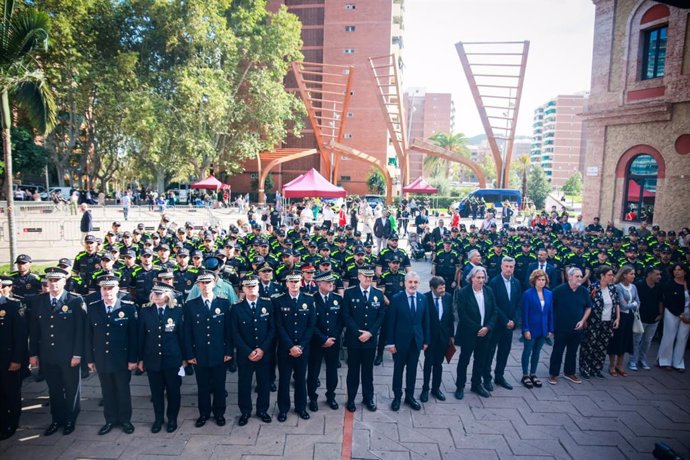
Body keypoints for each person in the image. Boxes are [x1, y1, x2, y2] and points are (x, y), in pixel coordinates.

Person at [29, 267, 86, 436]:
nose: (53, 283)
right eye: (50, 280)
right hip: (47, 355)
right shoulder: (39, 300)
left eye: (57, 280)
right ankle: (56, 419)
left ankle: (70, 419)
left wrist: (77, 354)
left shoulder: (75, 300)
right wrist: (33, 353)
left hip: (69, 356)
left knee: (71, 388)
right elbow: (34, 330)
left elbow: (80, 330)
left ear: (64, 281)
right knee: (54, 389)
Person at [84, 276, 137, 435]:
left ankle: (125, 420)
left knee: (123, 390)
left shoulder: (127, 308)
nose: (107, 292)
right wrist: (90, 359)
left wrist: (132, 359)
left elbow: (133, 337)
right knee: (106, 391)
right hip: (102, 358)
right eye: (104, 288)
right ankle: (110, 420)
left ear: (117, 289)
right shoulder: (93, 308)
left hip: (122, 359)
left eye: (111, 288)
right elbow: (88, 336)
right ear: (100, 290)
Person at [183, 271, 233, 428]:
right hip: (200, 354)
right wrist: (189, 355)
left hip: (219, 353)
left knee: (219, 385)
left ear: (214, 284)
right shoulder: (190, 305)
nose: (205, 286)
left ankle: (219, 413)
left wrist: (229, 352)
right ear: (198, 285)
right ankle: (203, 413)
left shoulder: (223, 304)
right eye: (202, 283)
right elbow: (187, 332)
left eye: (208, 282)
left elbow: (229, 331)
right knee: (202, 386)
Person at [138, 283, 185, 433]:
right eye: (154, 293)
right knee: (156, 393)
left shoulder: (177, 311)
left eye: (160, 293)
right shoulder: (145, 311)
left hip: (173, 360)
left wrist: (185, 359)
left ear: (168, 295)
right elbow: (140, 338)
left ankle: (172, 418)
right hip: (152, 360)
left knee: (173, 391)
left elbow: (182, 337)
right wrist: (140, 359)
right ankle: (158, 419)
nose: (156, 296)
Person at [231, 276, 275, 425]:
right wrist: (247, 351)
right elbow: (234, 333)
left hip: (264, 353)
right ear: (243, 289)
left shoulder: (268, 305)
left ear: (258, 287)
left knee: (264, 383)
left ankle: (262, 410)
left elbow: (272, 329)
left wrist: (262, 349)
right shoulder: (236, 308)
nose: (251, 288)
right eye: (248, 286)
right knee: (244, 384)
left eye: (254, 286)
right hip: (245, 355)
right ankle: (245, 411)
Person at [272, 272, 316, 422]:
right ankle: (283, 409)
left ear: (301, 283)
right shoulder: (278, 301)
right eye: (291, 282)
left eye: (296, 281)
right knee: (284, 380)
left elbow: (311, 326)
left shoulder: (309, 300)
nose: (294, 284)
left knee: (300, 380)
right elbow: (278, 326)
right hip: (285, 349)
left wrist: (301, 346)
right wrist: (291, 346)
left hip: (303, 349)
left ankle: (301, 407)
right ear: (287, 284)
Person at [342, 267, 385, 412]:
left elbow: (381, 316)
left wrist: (371, 333)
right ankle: (351, 399)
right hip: (354, 340)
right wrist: (357, 332)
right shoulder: (349, 293)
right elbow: (346, 315)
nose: (368, 279)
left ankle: (368, 398)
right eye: (365, 277)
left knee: (368, 372)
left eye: (371, 277)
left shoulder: (378, 294)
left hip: (370, 341)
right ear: (359, 277)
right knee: (353, 372)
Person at [386, 272, 429, 411]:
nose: (413, 285)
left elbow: (425, 321)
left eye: (415, 282)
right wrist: (390, 343)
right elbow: (390, 322)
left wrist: (426, 340)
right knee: (398, 370)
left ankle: (409, 396)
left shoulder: (423, 299)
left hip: (416, 342)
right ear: (405, 283)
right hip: (399, 342)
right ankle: (397, 397)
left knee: (412, 370)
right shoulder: (396, 298)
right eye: (410, 282)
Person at [453, 266, 497, 400]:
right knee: (464, 360)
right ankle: (460, 386)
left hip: (485, 334)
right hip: (469, 334)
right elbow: (463, 315)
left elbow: (494, 311)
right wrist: (479, 328)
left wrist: (487, 327)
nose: (481, 280)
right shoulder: (463, 293)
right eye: (478, 277)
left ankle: (476, 384)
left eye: (483, 277)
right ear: (471, 278)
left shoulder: (489, 291)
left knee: (480, 360)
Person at [307, 272, 344, 412]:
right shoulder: (311, 300)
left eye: (332, 282)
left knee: (332, 371)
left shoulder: (337, 299)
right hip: (316, 343)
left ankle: (331, 396)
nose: (331, 284)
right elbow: (310, 323)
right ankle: (312, 398)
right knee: (313, 372)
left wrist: (332, 338)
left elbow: (341, 321)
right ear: (319, 283)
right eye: (327, 282)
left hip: (333, 343)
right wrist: (323, 339)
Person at [548, 268, 592, 385]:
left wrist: (583, 321)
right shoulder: (558, 290)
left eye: (581, 276)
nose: (580, 278)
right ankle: (553, 373)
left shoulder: (583, 291)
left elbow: (589, 307)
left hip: (577, 327)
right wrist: (550, 325)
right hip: (561, 327)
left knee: (572, 351)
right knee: (558, 350)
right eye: (577, 276)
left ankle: (569, 372)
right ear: (569, 277)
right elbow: (550, 307)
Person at [485, 257, 521, 391]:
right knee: (490, 352)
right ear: (501, 267)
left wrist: (514, 321)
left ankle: (499, 376)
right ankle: (487, 378)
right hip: (497, 324)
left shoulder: (516, 283)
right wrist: (506, 320)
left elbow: (518, 303)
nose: (509, 269)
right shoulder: (494, 282)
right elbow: (494, 305)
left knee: (504, 352)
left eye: (511, 267)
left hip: (510, 326)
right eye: (506, 266)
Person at [579, 266, 619, 380]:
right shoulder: (592, 288)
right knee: (589, 346)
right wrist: (585, 320)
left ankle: (596, 369)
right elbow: (586, 305)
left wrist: (617, 318)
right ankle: (585, 369)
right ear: (602, 276)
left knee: (601, 347)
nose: (612, 277)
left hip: (607, 322)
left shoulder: (612, 288)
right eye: (609, 275)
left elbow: (616, 304)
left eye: (612, 275)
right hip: (593, 321)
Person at [0, 277, 27, 440]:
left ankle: (12, 423)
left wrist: (17, 360)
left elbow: (20, 336)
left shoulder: (12, 306)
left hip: (8, 360)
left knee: (10, 393)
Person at [420, 276, 454, 402]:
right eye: (440, 288)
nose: (443, 290)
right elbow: (422, 320)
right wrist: (424, 339)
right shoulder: (424, 298)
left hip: (443, 338)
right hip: (430, 339)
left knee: (438, 364)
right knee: (428, 364)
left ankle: (436, 389)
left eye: (444, 287)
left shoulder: (448, 297)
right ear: (432, 288)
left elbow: (450, 318)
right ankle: (425, 389)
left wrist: (451, 336)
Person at [520, 269, 553, 389]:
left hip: (543, 328)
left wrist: (550, 328)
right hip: (531, 328)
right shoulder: (527, 294)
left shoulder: (549, 294)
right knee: (527, 351)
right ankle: (525, 375)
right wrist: (525, 329)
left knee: (537, 352)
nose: (541, 282)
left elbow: (550, 312)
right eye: (539, 279)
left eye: (543, 279)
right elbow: (524, 314)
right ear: (534, 281)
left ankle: (533, 374)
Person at [657, 263, 690, 372]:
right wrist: (680, 315)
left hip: (687, 313)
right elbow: (668, 301)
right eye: (675, 270)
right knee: (669, 335)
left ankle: (678, 362)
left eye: (680, 269)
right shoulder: (669, 284)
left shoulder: (688, 283)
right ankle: (664, 360)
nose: (677, 272)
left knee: (682, 337)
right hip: (672, 312)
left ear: (684, 272)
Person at [631, 267, 663, 370]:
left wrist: (660, 314)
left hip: (654, 318)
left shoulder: (659, 287)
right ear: (649, 274)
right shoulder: (638, 285)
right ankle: (633, 361)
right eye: (657, 274)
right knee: (636, 340)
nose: (659, 277)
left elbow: (660, 301)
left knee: (647, 341)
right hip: (640, 318)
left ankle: (642, 359)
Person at [612, 265, 639, 374]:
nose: (634, 276)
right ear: (624, 275)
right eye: (631, 274)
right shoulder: (618, 287)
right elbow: (623, 305)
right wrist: (634, 304)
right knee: (616, 340)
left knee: (625, 341)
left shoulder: (634, 287)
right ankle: (612, 365)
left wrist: (632, 304)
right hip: (620, 317)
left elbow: (638, 302)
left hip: (630, 317)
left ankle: (620, 365)